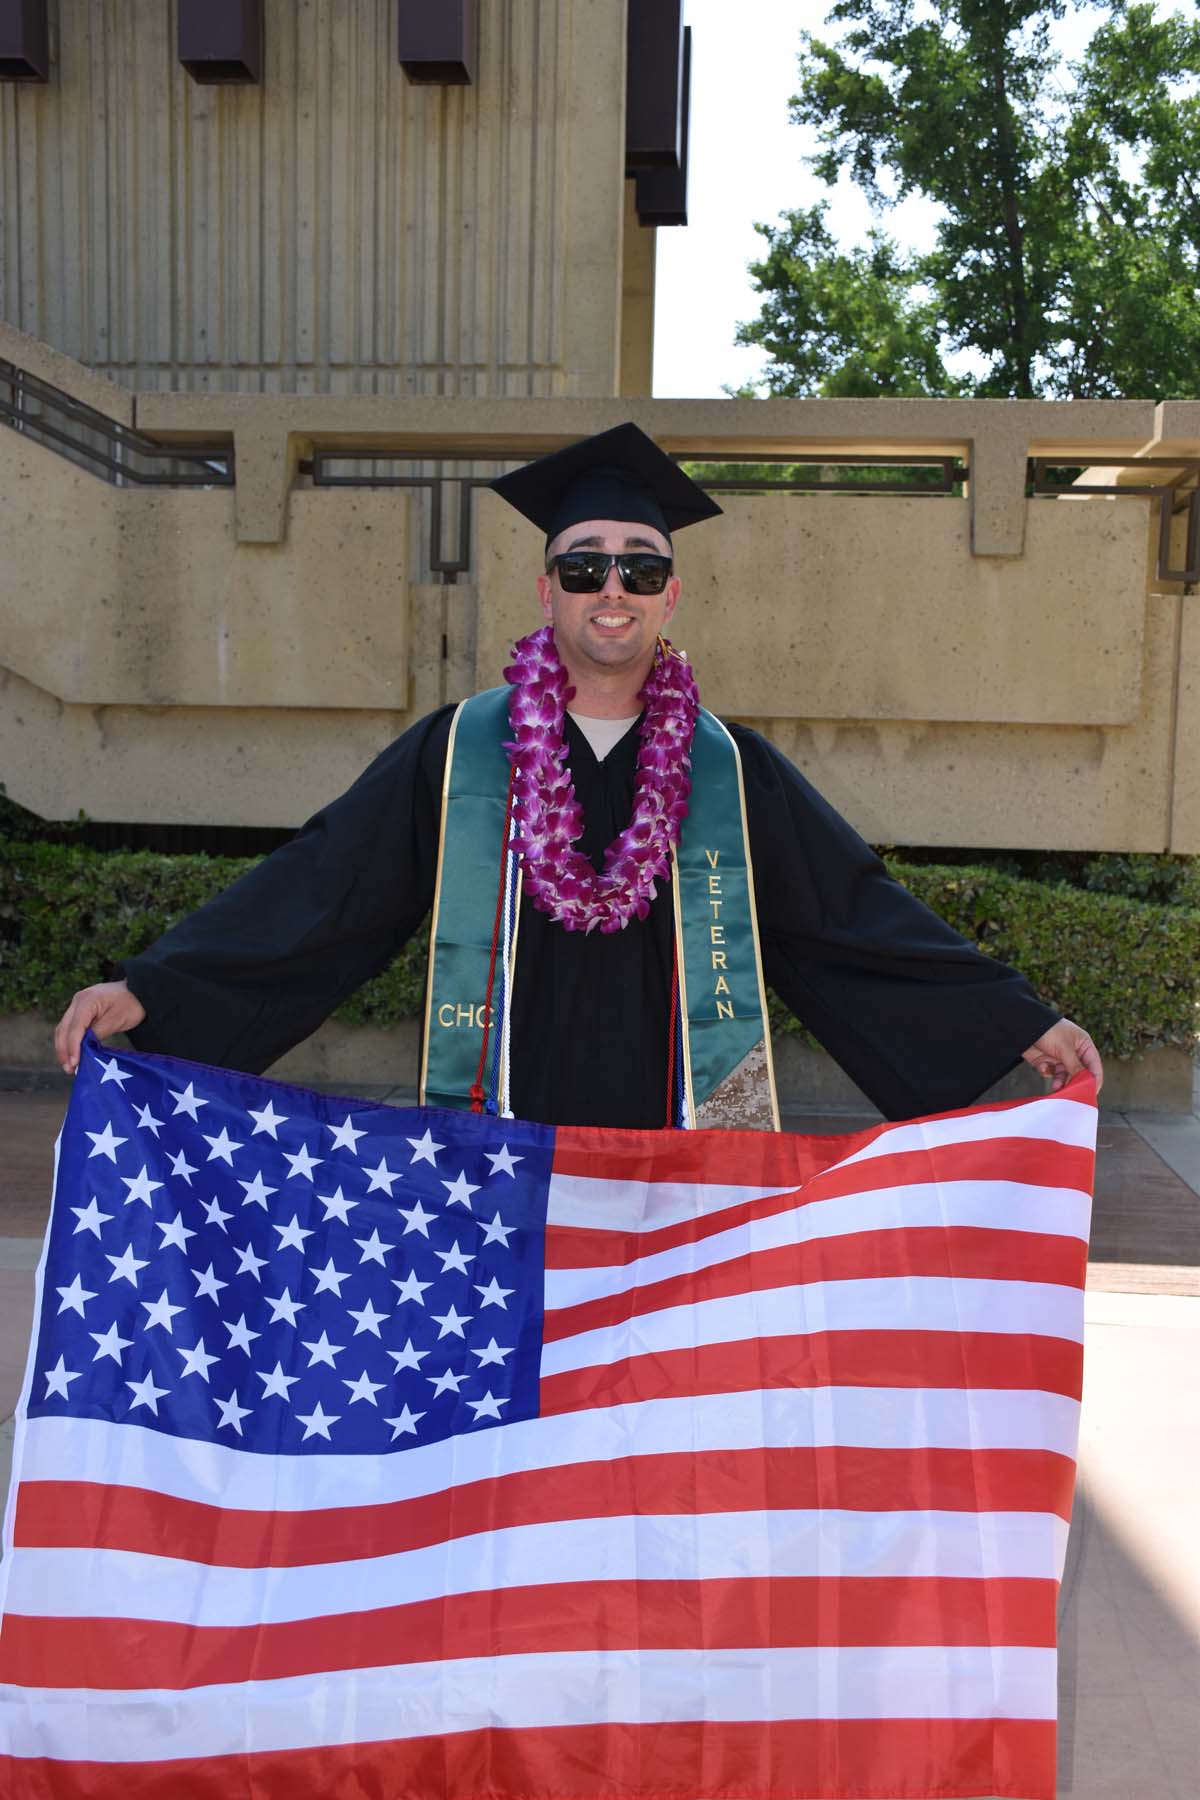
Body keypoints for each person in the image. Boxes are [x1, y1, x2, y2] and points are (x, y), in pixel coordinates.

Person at [54, 423, 1102, 1128]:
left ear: (670, 595)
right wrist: (156, 991)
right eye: (585, 563)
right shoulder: (464, 749)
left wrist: (1012, 1018)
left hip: (677, 1137)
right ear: (546, 587)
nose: (613, 586)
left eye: (640, 566)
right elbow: (325, 884)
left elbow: (851, 913)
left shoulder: (727, 768)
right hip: (501, 1130)